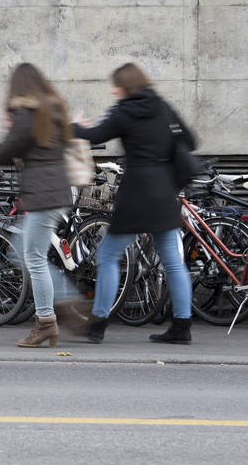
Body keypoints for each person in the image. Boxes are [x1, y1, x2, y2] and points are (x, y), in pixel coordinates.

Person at [72, 62, 196, 345]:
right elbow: (190, 140)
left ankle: (98, 324)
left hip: (137, 192)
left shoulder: (125, 111)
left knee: (108, 256)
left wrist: (73, 127)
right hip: (164, 190)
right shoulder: (163, 107)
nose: (113, 91)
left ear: (124, 87)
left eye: (115, 86)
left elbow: (96, 136)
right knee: (173, 262)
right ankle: (182, 326)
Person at [0, 63, 77, 348]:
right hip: (54, 191)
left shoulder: (27, 114)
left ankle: (47, 321)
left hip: (43, 194)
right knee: (27, 252)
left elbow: (6, 152)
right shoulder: (52, 109)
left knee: (33, 258)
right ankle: (64, 304)